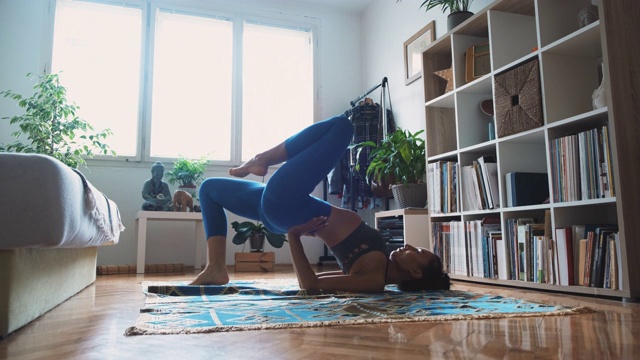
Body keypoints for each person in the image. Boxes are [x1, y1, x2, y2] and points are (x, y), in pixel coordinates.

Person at [191, 115, 450, 293]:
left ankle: (263, 158)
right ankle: (215, 267)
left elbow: (310, 285)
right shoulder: (381, 267)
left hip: (289, 207)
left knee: (342, 127)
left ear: (416, 273)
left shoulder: (374, 279)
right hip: (280, 209)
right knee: (209, 189)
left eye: (417, 252)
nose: (408, 245)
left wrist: (293, 236)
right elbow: (317, 281)